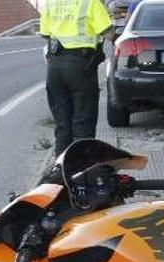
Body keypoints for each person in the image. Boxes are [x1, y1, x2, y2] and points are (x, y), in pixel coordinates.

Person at [40, 0, 114, 156]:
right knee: (83, 122)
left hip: (55, 67)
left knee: (62, 125)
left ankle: (60, 170)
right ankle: (80, 171)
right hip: (81, 67)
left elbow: (46, 35)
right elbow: (109, 34)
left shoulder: (51, 3)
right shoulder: (90, 2)